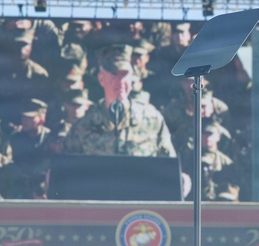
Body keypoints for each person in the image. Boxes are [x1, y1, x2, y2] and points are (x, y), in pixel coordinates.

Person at [64, 29, 176, 158]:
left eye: (124, 75)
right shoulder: (83, 126)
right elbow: (68, 170)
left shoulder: (151, 119)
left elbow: (169, 165)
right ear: (101, 79)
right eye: (114, 75)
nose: (120, 81)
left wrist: (181, 177)